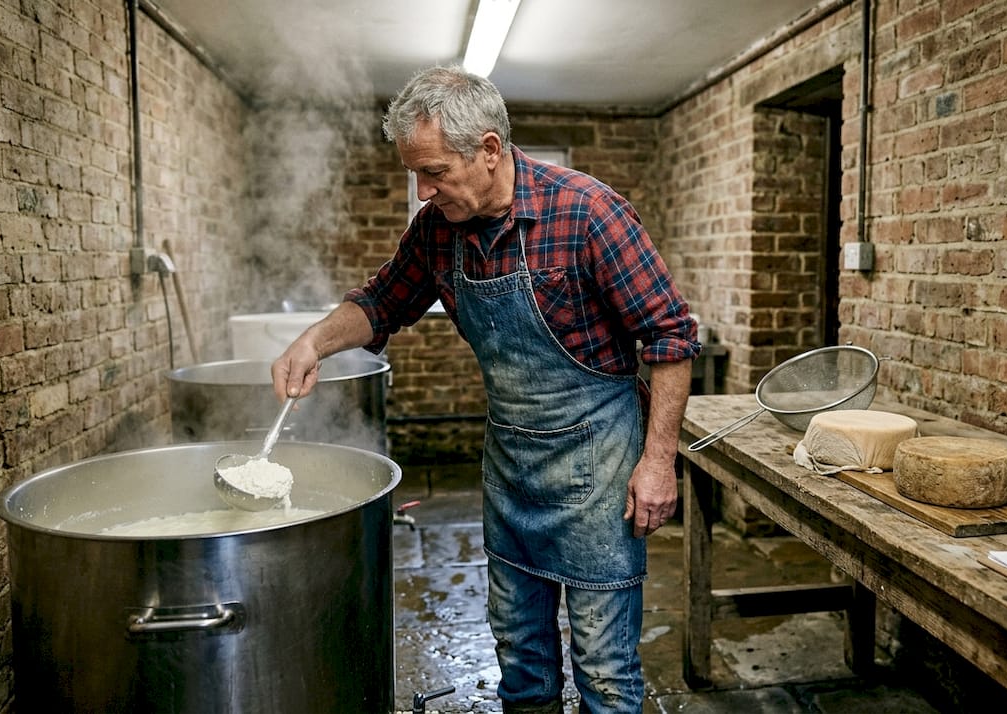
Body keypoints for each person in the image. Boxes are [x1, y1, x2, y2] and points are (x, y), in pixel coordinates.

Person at [272, 64, 700, 714]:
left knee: (605, 675)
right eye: (416, 174)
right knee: (522, 666)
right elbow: (383, 301)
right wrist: (313, 341)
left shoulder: (587, 212)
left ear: (490, 150)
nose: (423, 191)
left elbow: (670, 337)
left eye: (435, 172)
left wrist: (659, 460)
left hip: (601, 477)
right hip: (512, 474)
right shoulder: (437, 232)